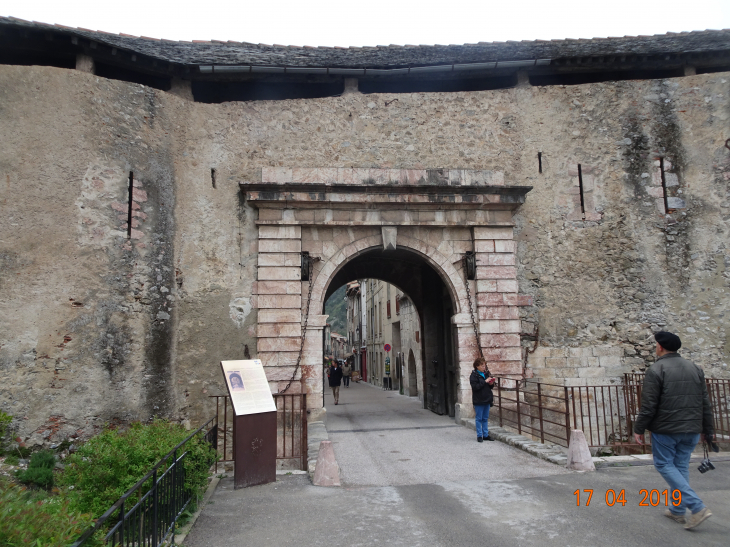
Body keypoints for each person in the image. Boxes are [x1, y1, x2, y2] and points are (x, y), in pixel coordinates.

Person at [633, 331, 715, 530]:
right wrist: (708, 429)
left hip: (667, 428)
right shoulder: (695, 368)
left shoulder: (656, 369)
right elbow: (705, 402)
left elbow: (649, 405)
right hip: (692, 428)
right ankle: (677, 511)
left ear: (660, 346)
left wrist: (639, 428)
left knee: (664, 465)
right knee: (680, 467)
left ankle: (697, 507)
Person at [470, 357, 495, 442]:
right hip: (479, 399)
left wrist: (491, 383)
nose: (484, 367)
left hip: (487, 398)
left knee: (485, 418)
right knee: (479, 418)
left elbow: (490, 387)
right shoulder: (474, 375)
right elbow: (475, 387)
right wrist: (484, 382)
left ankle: (486, 434)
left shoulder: (486, 374)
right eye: (482, 366)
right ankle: (479, 435)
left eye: (484, 366)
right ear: (477, 366)